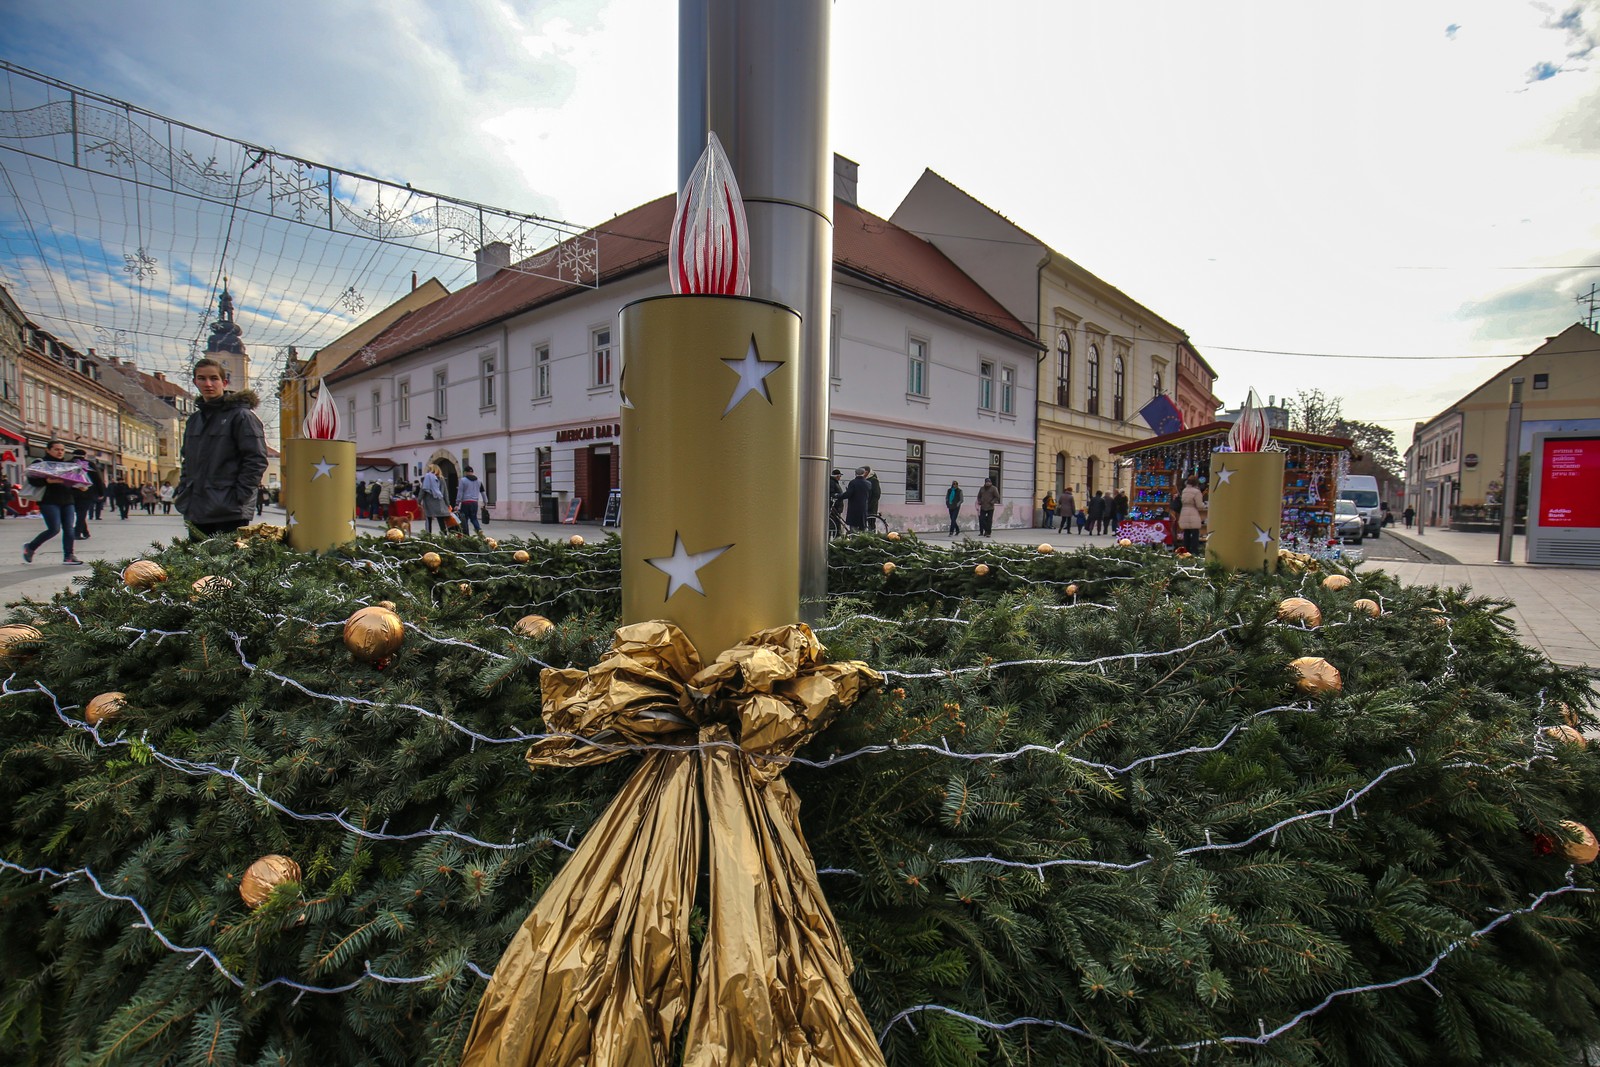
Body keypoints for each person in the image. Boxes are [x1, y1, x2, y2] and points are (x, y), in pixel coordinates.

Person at [174, 357, 269, 538]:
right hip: (197, 508)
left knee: (228, 556)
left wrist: (240, 496)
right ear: (195, 382)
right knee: (197, 556)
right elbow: (188, 460)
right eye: (202, 378)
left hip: (229, 510)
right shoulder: (194, 420)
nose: (208, 384)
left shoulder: (241, 416)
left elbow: (256, 459)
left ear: (224, 382)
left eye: (214, 378)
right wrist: (184, 489)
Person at [22, 440, 87, 565]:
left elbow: (72, 482)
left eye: (62, 450)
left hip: (67, 500)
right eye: (56, 449)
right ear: (48, 450)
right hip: (49, 500)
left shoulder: (68, 465)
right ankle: (30, 547)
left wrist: (80, 486)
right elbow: (33, 481)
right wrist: (47, 481)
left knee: (69, 529)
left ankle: (68, 556)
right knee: (54, 529)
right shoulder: (40, 463)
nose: (60, 452)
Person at [70, 451, 103, 540]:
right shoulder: (89, 464)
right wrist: (101, 493)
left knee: (79, 513)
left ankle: (85, 532)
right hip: (87, 492)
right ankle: (77, 533)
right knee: (82, 513)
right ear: (85, 455)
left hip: (71, 492)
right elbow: (97, 479)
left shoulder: (68, 463)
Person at [419, 463, 452, 535]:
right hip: (439, 502)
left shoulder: (426, 478)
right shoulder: (442, 479)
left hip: (429, 503)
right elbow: (445, 493)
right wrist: (448, 504)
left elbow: (422, 491)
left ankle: (428, 535)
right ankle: (444, 535)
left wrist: (419, 501)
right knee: (441, 520)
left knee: (428, 520)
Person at [1177, 474, 1207, 554]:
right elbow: (1199, 505)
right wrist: (1204, 505)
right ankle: (1194, 551)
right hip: (1193, 512)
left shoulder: (1184, 490)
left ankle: (1185, 551)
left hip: (1184, 512)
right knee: (1195, 533)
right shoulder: (1196, 492)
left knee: (1186, 533)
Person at [457, 465, 485, 535]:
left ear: (465, 472)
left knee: (464, 519)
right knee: (474, 518)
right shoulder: (479, 481)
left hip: (465, 503)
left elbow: (460, 492)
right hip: (474, 503)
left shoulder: (463, 480)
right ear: (472, 472)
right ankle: (479, 530)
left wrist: (457, 503)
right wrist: (485, 502)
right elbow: (483, 492)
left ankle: (466, 535)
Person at [842, 467, 872, 532]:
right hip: (863, 507)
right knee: (862, 527)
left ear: (855, 473)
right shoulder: (868, 483)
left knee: (853, 527)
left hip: (854, 508)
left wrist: (839, 496)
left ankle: (853, 537)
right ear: (864, 473)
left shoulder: (853, 483)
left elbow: (848, 494)